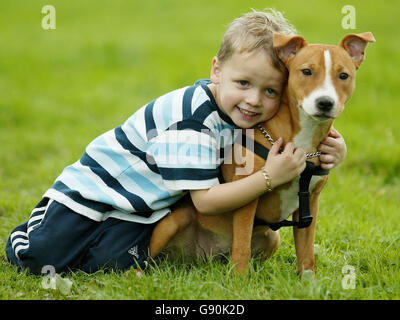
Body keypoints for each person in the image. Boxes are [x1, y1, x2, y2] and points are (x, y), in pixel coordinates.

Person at [5, 9, 346, 275]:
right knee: (43, 256)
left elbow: (300, 124)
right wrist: (269, 177)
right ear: (216, 71)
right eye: (243, 82)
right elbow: (207, 203)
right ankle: (25, 236)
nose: (255, 100)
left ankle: (97, 249)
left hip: (140, 211)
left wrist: (335, 148)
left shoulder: (245, 114)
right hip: (93, 195)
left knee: (114, 262)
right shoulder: (192, 121)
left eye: (269, 90)